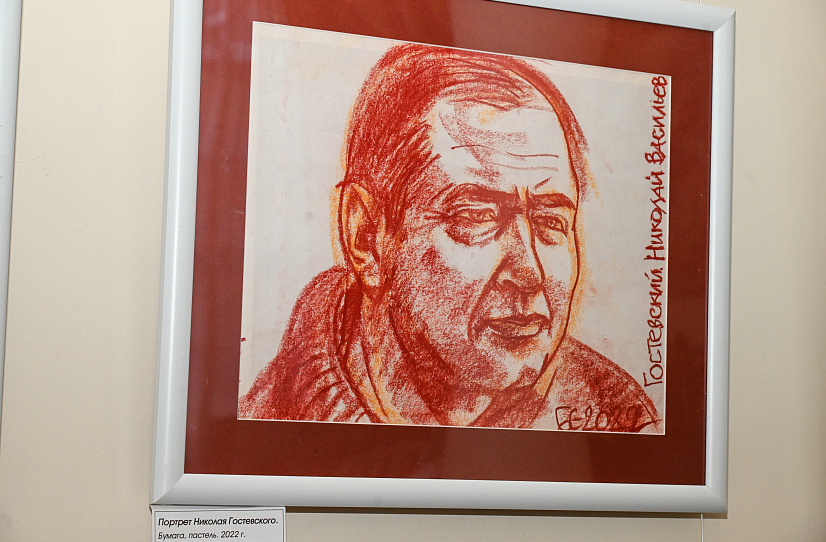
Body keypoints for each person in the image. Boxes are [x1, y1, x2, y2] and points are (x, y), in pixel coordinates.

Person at [239, 43, 661, 432]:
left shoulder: (621, 418)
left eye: (550, 221)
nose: (529, 272)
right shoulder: (263, 430)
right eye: (477, 216)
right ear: (366, 238)